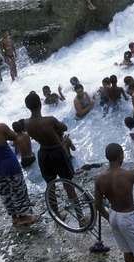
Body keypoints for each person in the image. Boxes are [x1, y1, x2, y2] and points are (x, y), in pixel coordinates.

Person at [0, 98, 40, 225]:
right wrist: (4, 136)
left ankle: (14, 217)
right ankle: (23, 217)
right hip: (9, 164)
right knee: (18, 189)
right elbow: (14, 136)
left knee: (5, 192)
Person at [24, 92, 84, 224]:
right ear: (40, 104)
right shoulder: (49, 120)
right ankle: (81, 218)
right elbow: (64, 127)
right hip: (57, 152)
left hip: (43, 154)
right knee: (68, 185)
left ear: (28, 107)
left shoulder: (26, 123)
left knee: (50, 185)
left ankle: (57, 215)